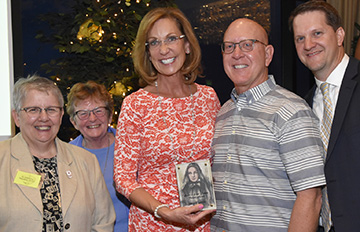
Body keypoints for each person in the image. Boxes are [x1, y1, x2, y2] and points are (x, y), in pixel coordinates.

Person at [210, 18, 326, 232]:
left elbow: (311, 197)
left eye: (247, 44)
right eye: (229, 47)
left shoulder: (292, 111)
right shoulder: (223, 113)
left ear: (268, 54)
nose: (237, 54)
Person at [113, 7, 221, 231]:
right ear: (148, 53)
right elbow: (122, 178)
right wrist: (164, 212)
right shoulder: (135, 104)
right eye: (154, 42)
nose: (164, 49)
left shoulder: (208, 97)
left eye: (171, 38)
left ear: (187, 45)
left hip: (203, 223)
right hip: (153, 223)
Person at [0, 75, 115, 231]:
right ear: (17, 117)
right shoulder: (2, 158)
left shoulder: (86, 161)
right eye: (33, 110)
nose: (43, 117)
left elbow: (103, 222)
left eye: (51, 110)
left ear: (61, 116)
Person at [289, 1, 360, 231]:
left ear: (339, 35)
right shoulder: (303, 106)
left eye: (317, 33)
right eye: (300, 38)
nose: (308, 44)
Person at [67, 81, 130, 232]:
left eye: (98, 111)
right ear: (73, 122)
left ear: (110, 115)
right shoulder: (66, 157)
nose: (92, 118)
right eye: (83, 113)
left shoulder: (130, 147)